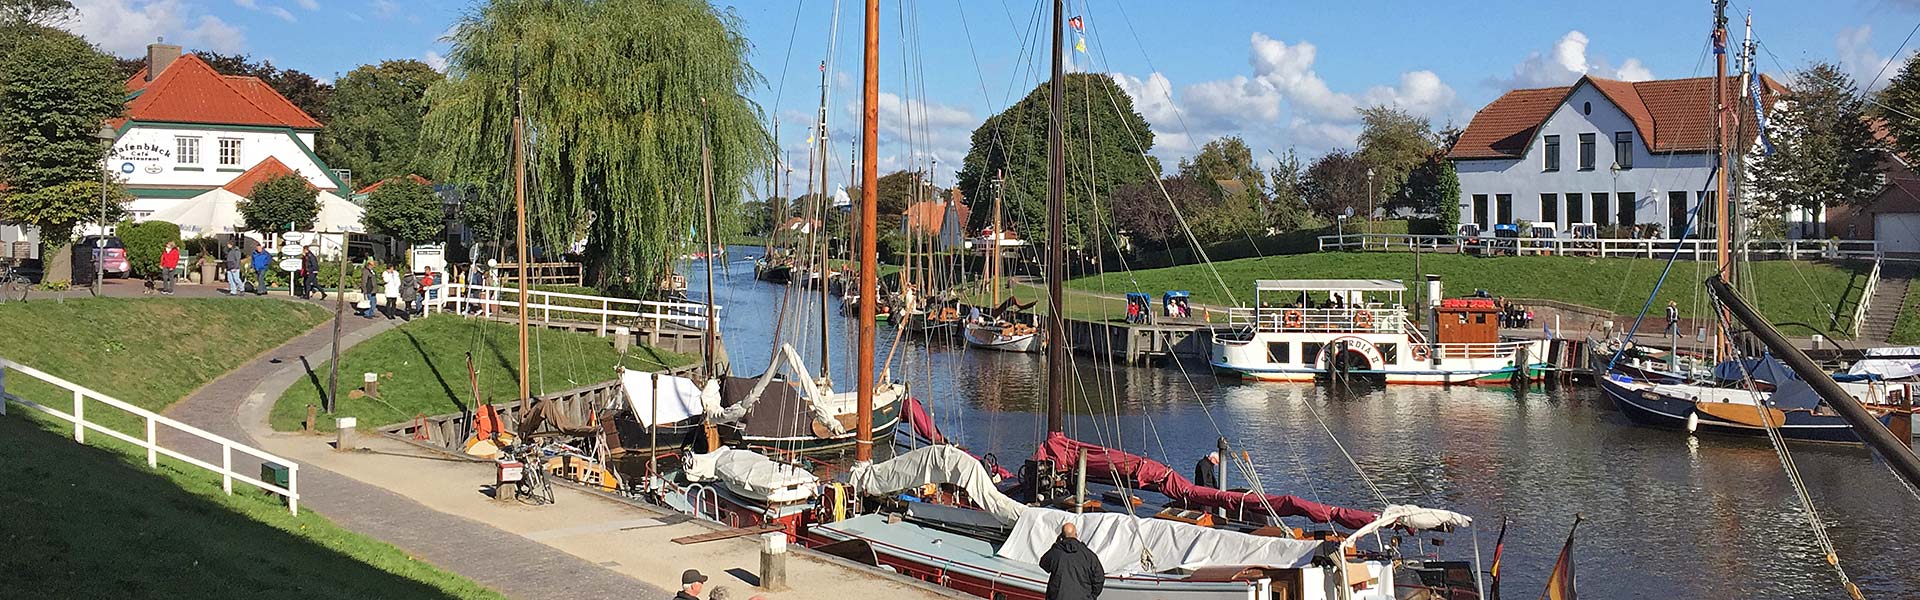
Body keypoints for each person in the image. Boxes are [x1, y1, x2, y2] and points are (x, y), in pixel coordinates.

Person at [1039, 522, 1104, 600]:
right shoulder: (1088, 555)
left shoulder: (1055, 552)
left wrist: (1056, 544)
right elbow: (1099, 578)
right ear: (1076, 535)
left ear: (1062, 535)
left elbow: (1043, 564)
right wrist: (1091, 596)